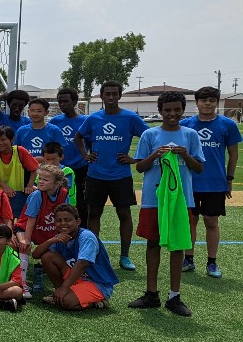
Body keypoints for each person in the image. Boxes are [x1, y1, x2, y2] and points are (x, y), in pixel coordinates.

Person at [129, 92, 204, 317]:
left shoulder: (190, 135)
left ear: (183, 110)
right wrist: (154, 155)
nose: (172, 114)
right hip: (154, 199)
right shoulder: (150, 134)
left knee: (178, 246)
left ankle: (174, 295)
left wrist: (185, 155)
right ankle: (151, 293)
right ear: (160, 110)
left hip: (181, 200)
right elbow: (139, 167)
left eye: (177, 110)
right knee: (153, 243)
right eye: (167, 110)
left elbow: (198, 167)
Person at [75, 81, 148, 270]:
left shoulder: (130, 118)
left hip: (120, 175)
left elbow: (150, 137)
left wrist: (135, 159)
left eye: (114, 94)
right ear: (101, 96)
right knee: (94, 213)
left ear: (120, 95)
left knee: (124, 213)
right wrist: (85, 155)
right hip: (96, 174)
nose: (111, 97)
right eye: (107, 94)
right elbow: (78, 136)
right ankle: (93, 254)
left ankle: (125, 256)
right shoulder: (93, 118)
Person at [181, 86, 241, 278]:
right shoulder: (187, 124)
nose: (208, 104)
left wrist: (229, 179)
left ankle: (212, 262)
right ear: (196, 102)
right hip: (189, 181)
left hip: (214, 183)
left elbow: (233, 154)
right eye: (204, 100)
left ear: (217, 102)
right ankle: (188, 259)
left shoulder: (227, 125)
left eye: (212, 100)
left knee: (211, 221)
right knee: (190, 220)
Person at [33, 204, 118, 311]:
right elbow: (36, 255)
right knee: (47, 257)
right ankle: (61, 291)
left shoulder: (86, 237)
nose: (63, 223)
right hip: (77, 278)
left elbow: (83, 263)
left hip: (97, 283)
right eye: (59, 220)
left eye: (67, 220)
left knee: (66, 302)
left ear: (78, 222)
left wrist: (64, 288)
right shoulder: (59, 238)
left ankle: (99, 301)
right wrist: (51, 241)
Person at [16, 164, 70, 296]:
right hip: (27, 228)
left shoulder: (63, 194)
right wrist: (27, 239)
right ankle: (22, 283)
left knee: (65, 247)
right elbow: (31, 219)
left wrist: (64, 235)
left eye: (45, 180)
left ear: (57, 183)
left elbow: (66, 216)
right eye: (40, 178)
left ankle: (65, 281)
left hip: (48, 230)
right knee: (25, 246)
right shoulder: (37, 195)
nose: (40, 181)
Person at [49, 87, 90, 222]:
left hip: (81, 167)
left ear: (75, 102)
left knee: (81, 202)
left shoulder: (85, 120)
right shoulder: (55, 122)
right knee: (59, 200)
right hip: (61, 170)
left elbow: (92, 142)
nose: (62, 105)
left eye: (65, 101)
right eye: (60, 102)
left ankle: (81, 231)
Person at [0, 126, 39, 218]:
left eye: (3, 140)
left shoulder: (20, 151)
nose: (0, 143)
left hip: (19, 192)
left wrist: (29, 186)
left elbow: (34, 169)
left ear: (11, 139)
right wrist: (5, 187)